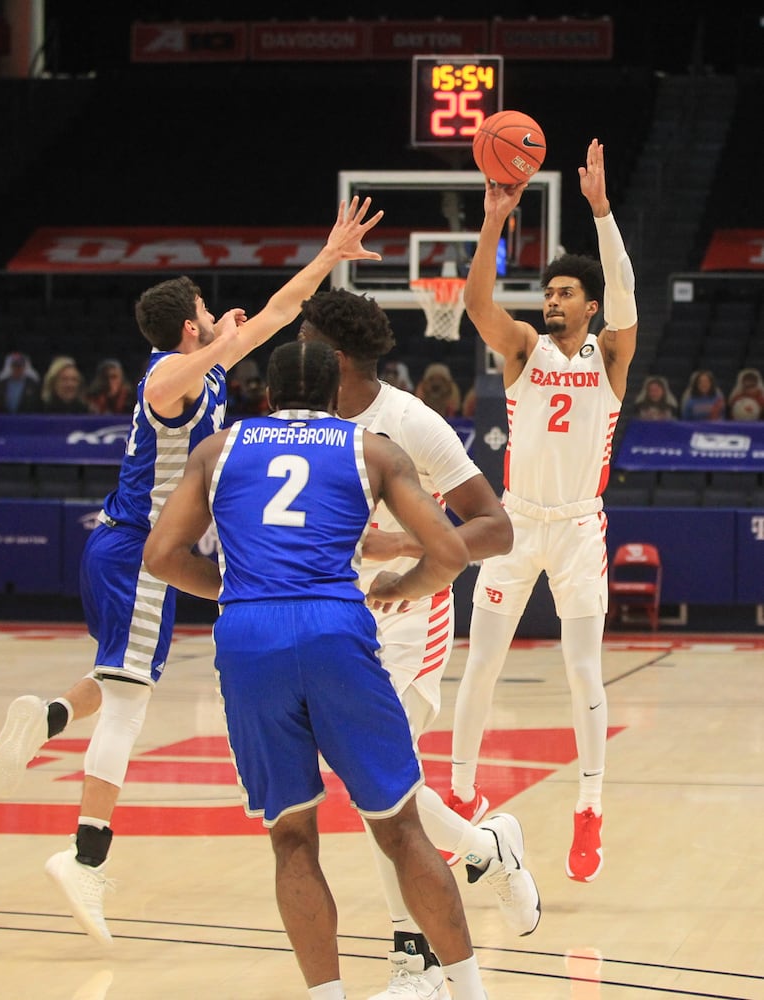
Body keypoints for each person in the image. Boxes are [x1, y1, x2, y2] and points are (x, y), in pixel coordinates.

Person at [0, 196, 385, 945]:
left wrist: (328, 259)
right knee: (132, 705)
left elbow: (273, 313)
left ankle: (47, 718)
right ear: (187, 325)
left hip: (139, 555)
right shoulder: (168, 375)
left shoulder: (197, 369)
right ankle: (84, 857)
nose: (218, 316)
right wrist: (220, 344)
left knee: (122, 681)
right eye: (206, 312)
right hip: (137, 551)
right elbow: (182, 375)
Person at [142, 338, 491, 1000]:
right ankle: (471, 993)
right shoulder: (372, 449)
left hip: (250, 639)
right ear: (337, 395)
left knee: (293, 837)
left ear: (266, 394)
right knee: (400, 828)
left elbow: (161, 555)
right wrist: (404, 584)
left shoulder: (218, 451)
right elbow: (450, 550)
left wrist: (238, 589)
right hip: (335, 627)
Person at [297, 288, 539, 1000]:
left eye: (306, 341)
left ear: (334, 357)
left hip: (413, 612)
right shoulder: (305, 422)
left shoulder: (410, 422)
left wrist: (407, 549)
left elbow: (496, 528)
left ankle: (417, 967)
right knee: (380, 790)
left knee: (382, 788)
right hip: (339, 621)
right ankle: (487, 848)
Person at [447, 139, 639, 884]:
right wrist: (494, 221)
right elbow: (474, 305)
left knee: (582, 668)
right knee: (483, 662)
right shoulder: (525, 349)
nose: (551, 300)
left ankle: (590, 807)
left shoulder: (610, 358)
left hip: (579, 528)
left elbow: (625, 303)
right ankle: (462, 795)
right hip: (515, 523)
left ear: (588, 307)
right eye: (548, 291)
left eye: (565, 293)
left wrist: (601, 212)